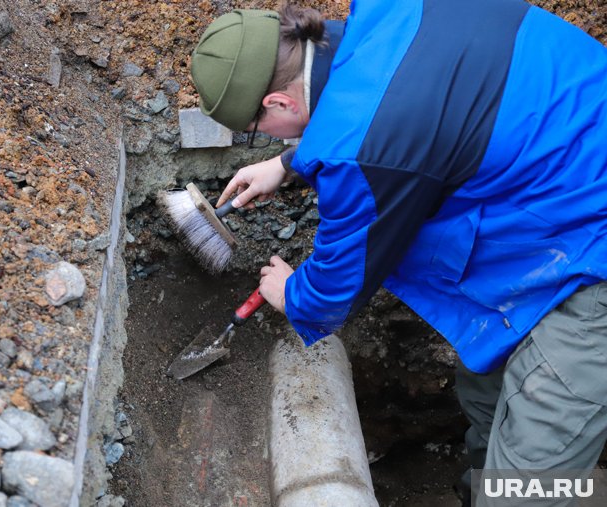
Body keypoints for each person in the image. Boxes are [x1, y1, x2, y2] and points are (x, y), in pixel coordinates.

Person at [190, 1, 607, 505]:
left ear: (279, 102)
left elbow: (337, 287)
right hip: (569, 168)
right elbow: (414, 107)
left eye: (257, 130)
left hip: (591, 257)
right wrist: (288, 161)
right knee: (484, 389)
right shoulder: (388, 14)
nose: (263, 138)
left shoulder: (360, 151)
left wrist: (293, 295)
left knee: (529, 490)